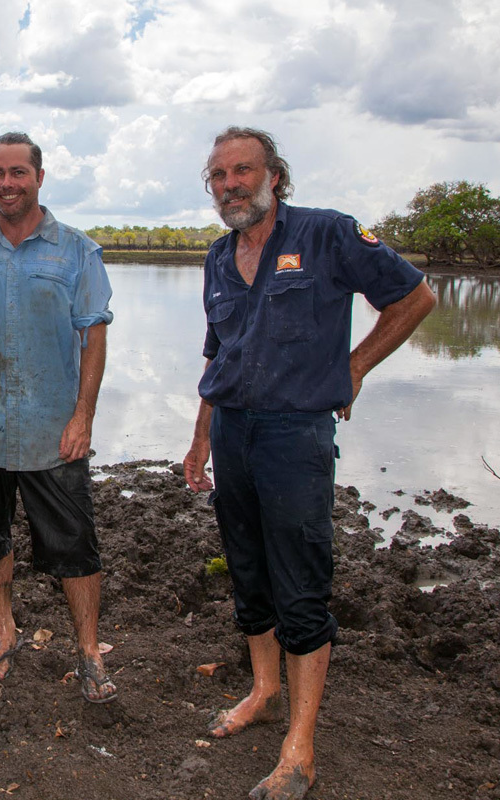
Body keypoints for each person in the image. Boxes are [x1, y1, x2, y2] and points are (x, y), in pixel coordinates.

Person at [182, 126, 435, 800]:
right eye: (218, 175)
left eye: (243, 171)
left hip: (296, 435)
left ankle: (301, 746)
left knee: (300, 577)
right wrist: (200, 437)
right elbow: (219, 353)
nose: (231, 185)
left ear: (275, 177)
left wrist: (354, 366)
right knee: (248, 567)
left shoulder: (327, 234)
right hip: (232, 430)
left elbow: (415, 298)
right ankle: (264, 688)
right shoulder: (215, 257)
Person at [0, 132, 117, 703]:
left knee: (74, 544)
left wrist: (83, 415)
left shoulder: (77, 250)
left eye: (17, 172)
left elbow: (94, 336)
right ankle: (5, 630)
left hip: (51, 431)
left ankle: (88, 651)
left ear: (39, 177)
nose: (6, 184)